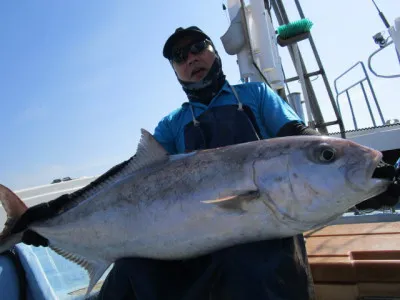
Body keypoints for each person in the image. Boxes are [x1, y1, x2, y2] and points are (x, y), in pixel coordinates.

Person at [11, 26, 400, 300]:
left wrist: (363, 173)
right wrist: (53, 212)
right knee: (133, 274)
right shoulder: (172, 123)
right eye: (180, 57)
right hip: (186, 240)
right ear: (175, 70)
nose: (191, 59)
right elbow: (130, 174)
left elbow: (302, 137)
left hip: (263, 231)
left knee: (256, 268)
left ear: (213, 51)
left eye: (198, 48)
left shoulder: (256, 96)